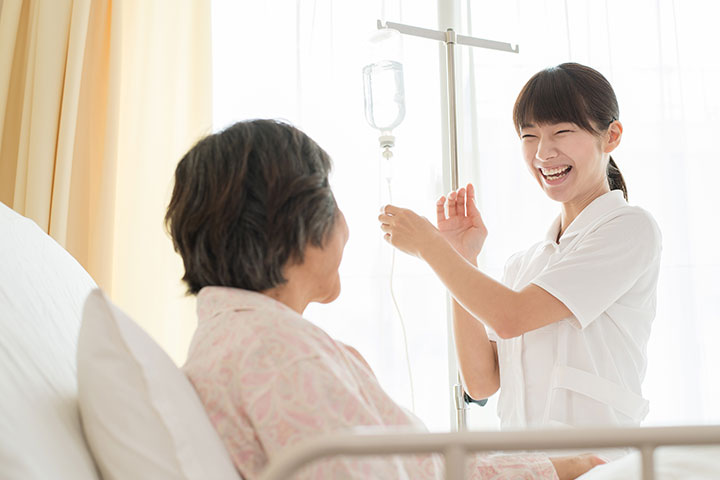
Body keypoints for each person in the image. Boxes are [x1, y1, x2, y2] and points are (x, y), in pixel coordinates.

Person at [165, 119, 603, 479]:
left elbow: (424, 465)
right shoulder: (280, 354)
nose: (344, 225)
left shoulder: (237, 340)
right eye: (331, 201)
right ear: (297, 223)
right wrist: (433, 246)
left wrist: (551, 469)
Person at [378, 63, 662, 437]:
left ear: (611, 136)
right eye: (529, 136)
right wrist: (462, 256)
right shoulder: (526, 265)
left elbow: (510, 316)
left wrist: (429, 246)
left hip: (598, 461)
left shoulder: (630, 229)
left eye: (562, 132)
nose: (543, 152)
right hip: (524, 462)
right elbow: (481, 382)